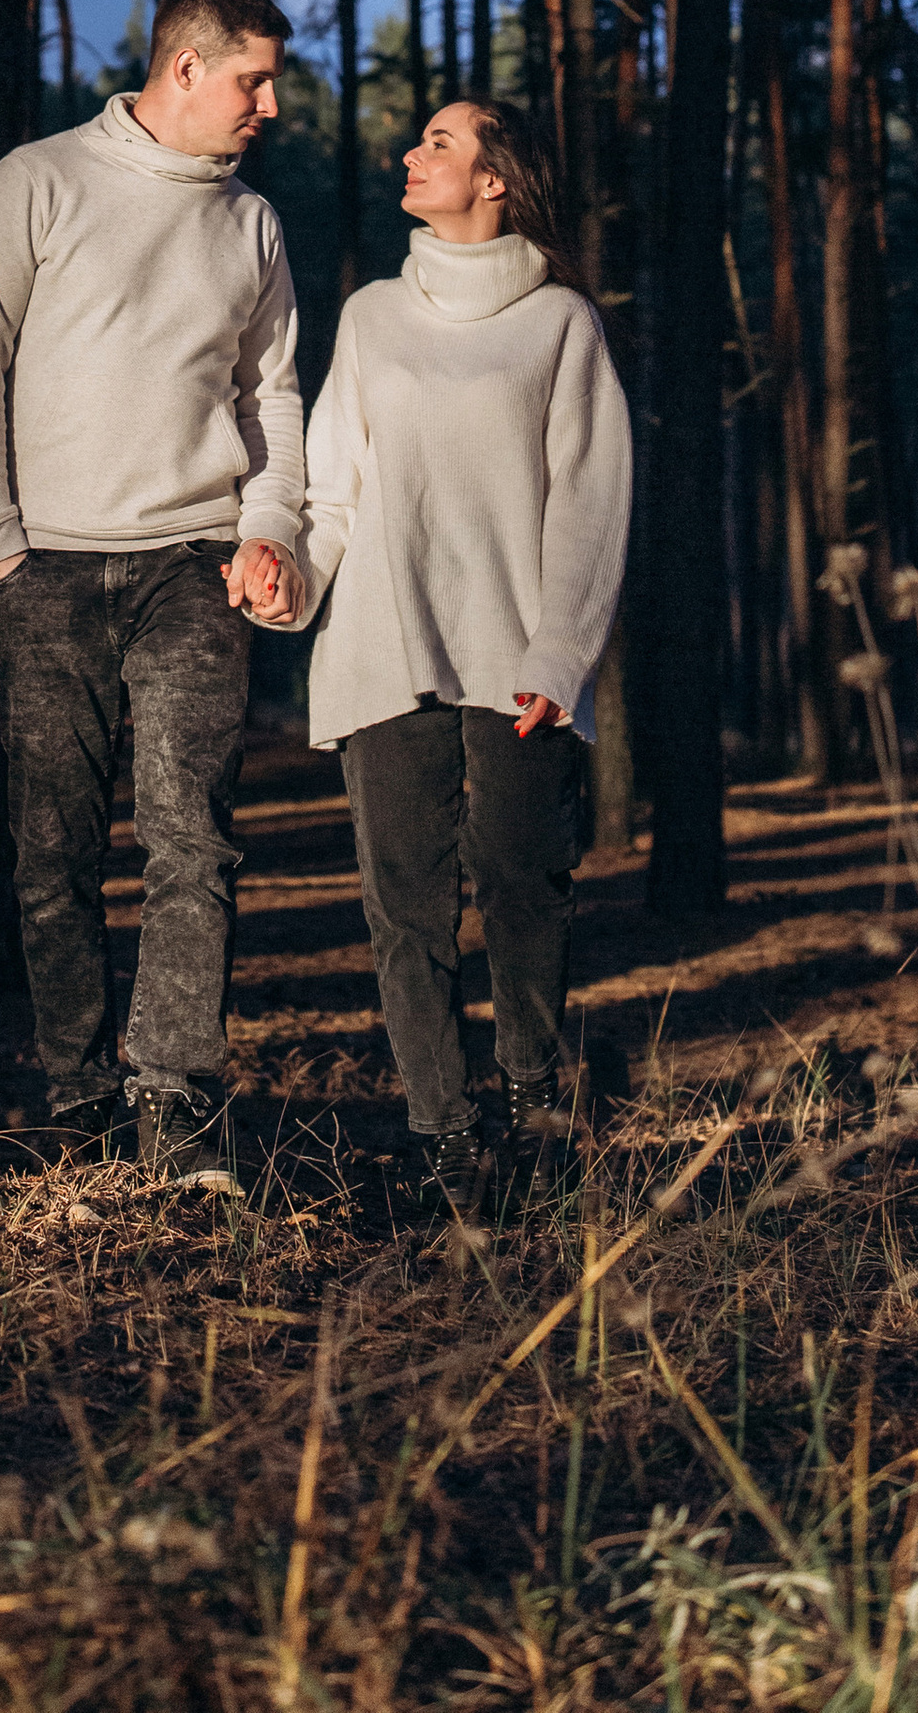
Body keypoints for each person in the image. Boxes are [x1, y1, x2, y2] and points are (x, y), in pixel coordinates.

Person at [0, 0, 305, 1179]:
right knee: (51, 855)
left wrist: (270, 529)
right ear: (185, 68)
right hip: (42, 570)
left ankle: (178, 1108)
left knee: (190, 841)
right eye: (254, 78)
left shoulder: (250, 223)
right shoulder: (36, 181)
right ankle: (78, 1098)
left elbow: (272, 398)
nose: (270, 103)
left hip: (192, 570)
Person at [259, 95, 629, 1205]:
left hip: (518, 657)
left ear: (497, 178)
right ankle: (444, 1142)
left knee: (524, 887)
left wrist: (561, 653)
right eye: (417, 141)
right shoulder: (373, 317)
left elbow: (591, 502)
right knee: (404, 910)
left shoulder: (562, 325)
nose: (409, 155)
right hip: (383, 641)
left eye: (437, 142)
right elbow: (332, 489)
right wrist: (291, 573)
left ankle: (533, 1113)